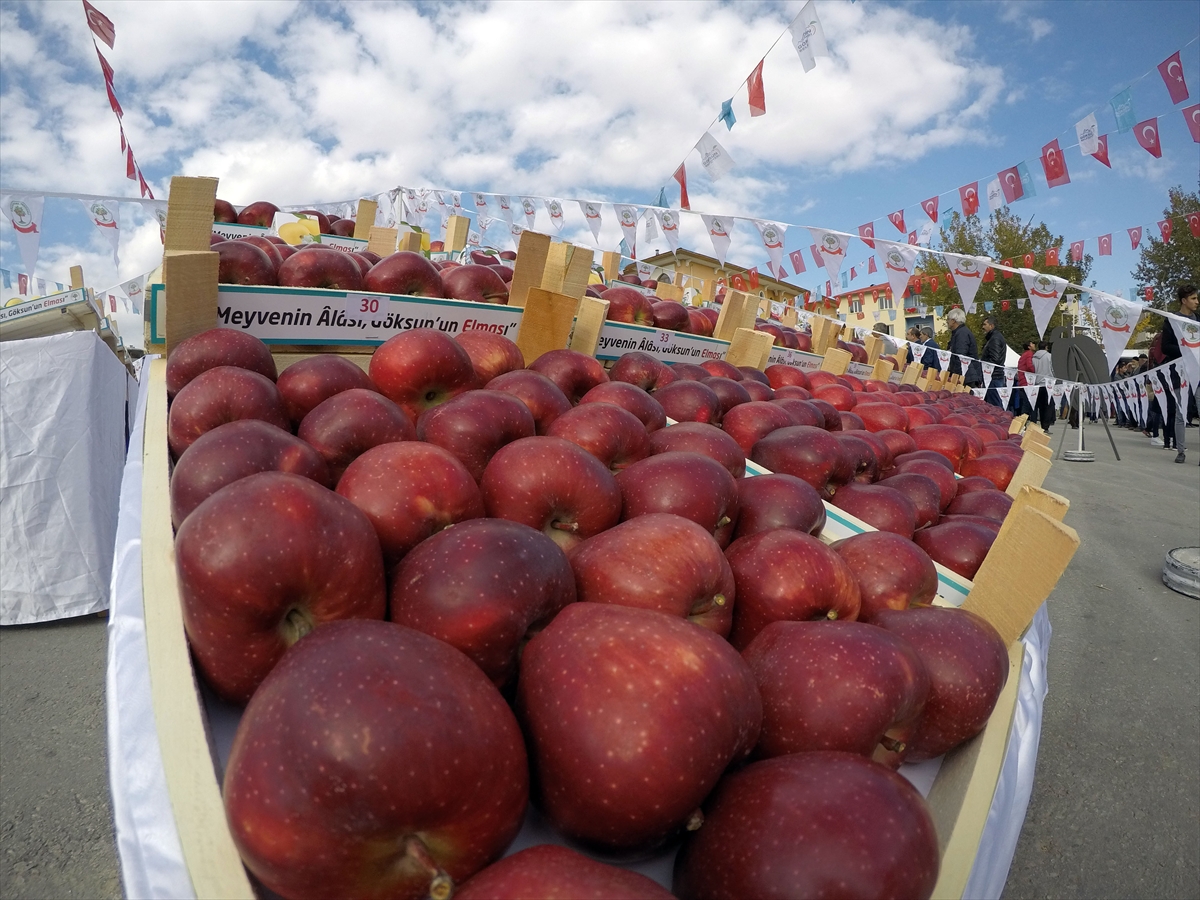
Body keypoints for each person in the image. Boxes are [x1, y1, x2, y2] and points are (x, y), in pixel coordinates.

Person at [1160, 282, 1198, 464]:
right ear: (1184, 300)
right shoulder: (1171, 320)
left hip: (1198, 370)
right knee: (1180, 412)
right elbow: (1165, 347)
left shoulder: (1198, 320)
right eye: (1193, 298)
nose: (1197, 301)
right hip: (1180, 371)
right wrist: (1186, 350)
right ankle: (1180, 450)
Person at [946, 307, 982, 386]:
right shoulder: (959, 333)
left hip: (966, 376)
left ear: (953, 321)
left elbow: (961, 357)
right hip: (967, 374)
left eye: (948, 319)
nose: (947, 322)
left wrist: (957, 377)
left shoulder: (962, 334)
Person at [980, 315, 1007, 407]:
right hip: (993, 376)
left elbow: (995, 359)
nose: (983, 327)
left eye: (985, 324)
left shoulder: (995, 339)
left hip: (993, 376)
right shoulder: (994, 338)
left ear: (991, 326)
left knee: (995, 406)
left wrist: (983, 365)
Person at [1032, 340, 1055, 431]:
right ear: (1046, 347)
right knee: (1047, 406)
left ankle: (1034, 424)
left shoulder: (1033, 357)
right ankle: (1045, 426)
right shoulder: (1050, 357)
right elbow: (1053, 369)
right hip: (1047, 383)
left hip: (1036, 384)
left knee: (1037, 406)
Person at [1017, 340, 1036, 418]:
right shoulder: (1029, 354)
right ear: (1029, 346)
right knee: (1028, 403)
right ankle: (1023, 422)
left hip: (1022, 380)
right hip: (1027, 381)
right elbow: (1029, 366)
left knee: (1025, 403)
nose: (1034, 345)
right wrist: (1035, 371)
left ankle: (1022, 421)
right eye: (1032, 344)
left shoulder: (1023, 355)